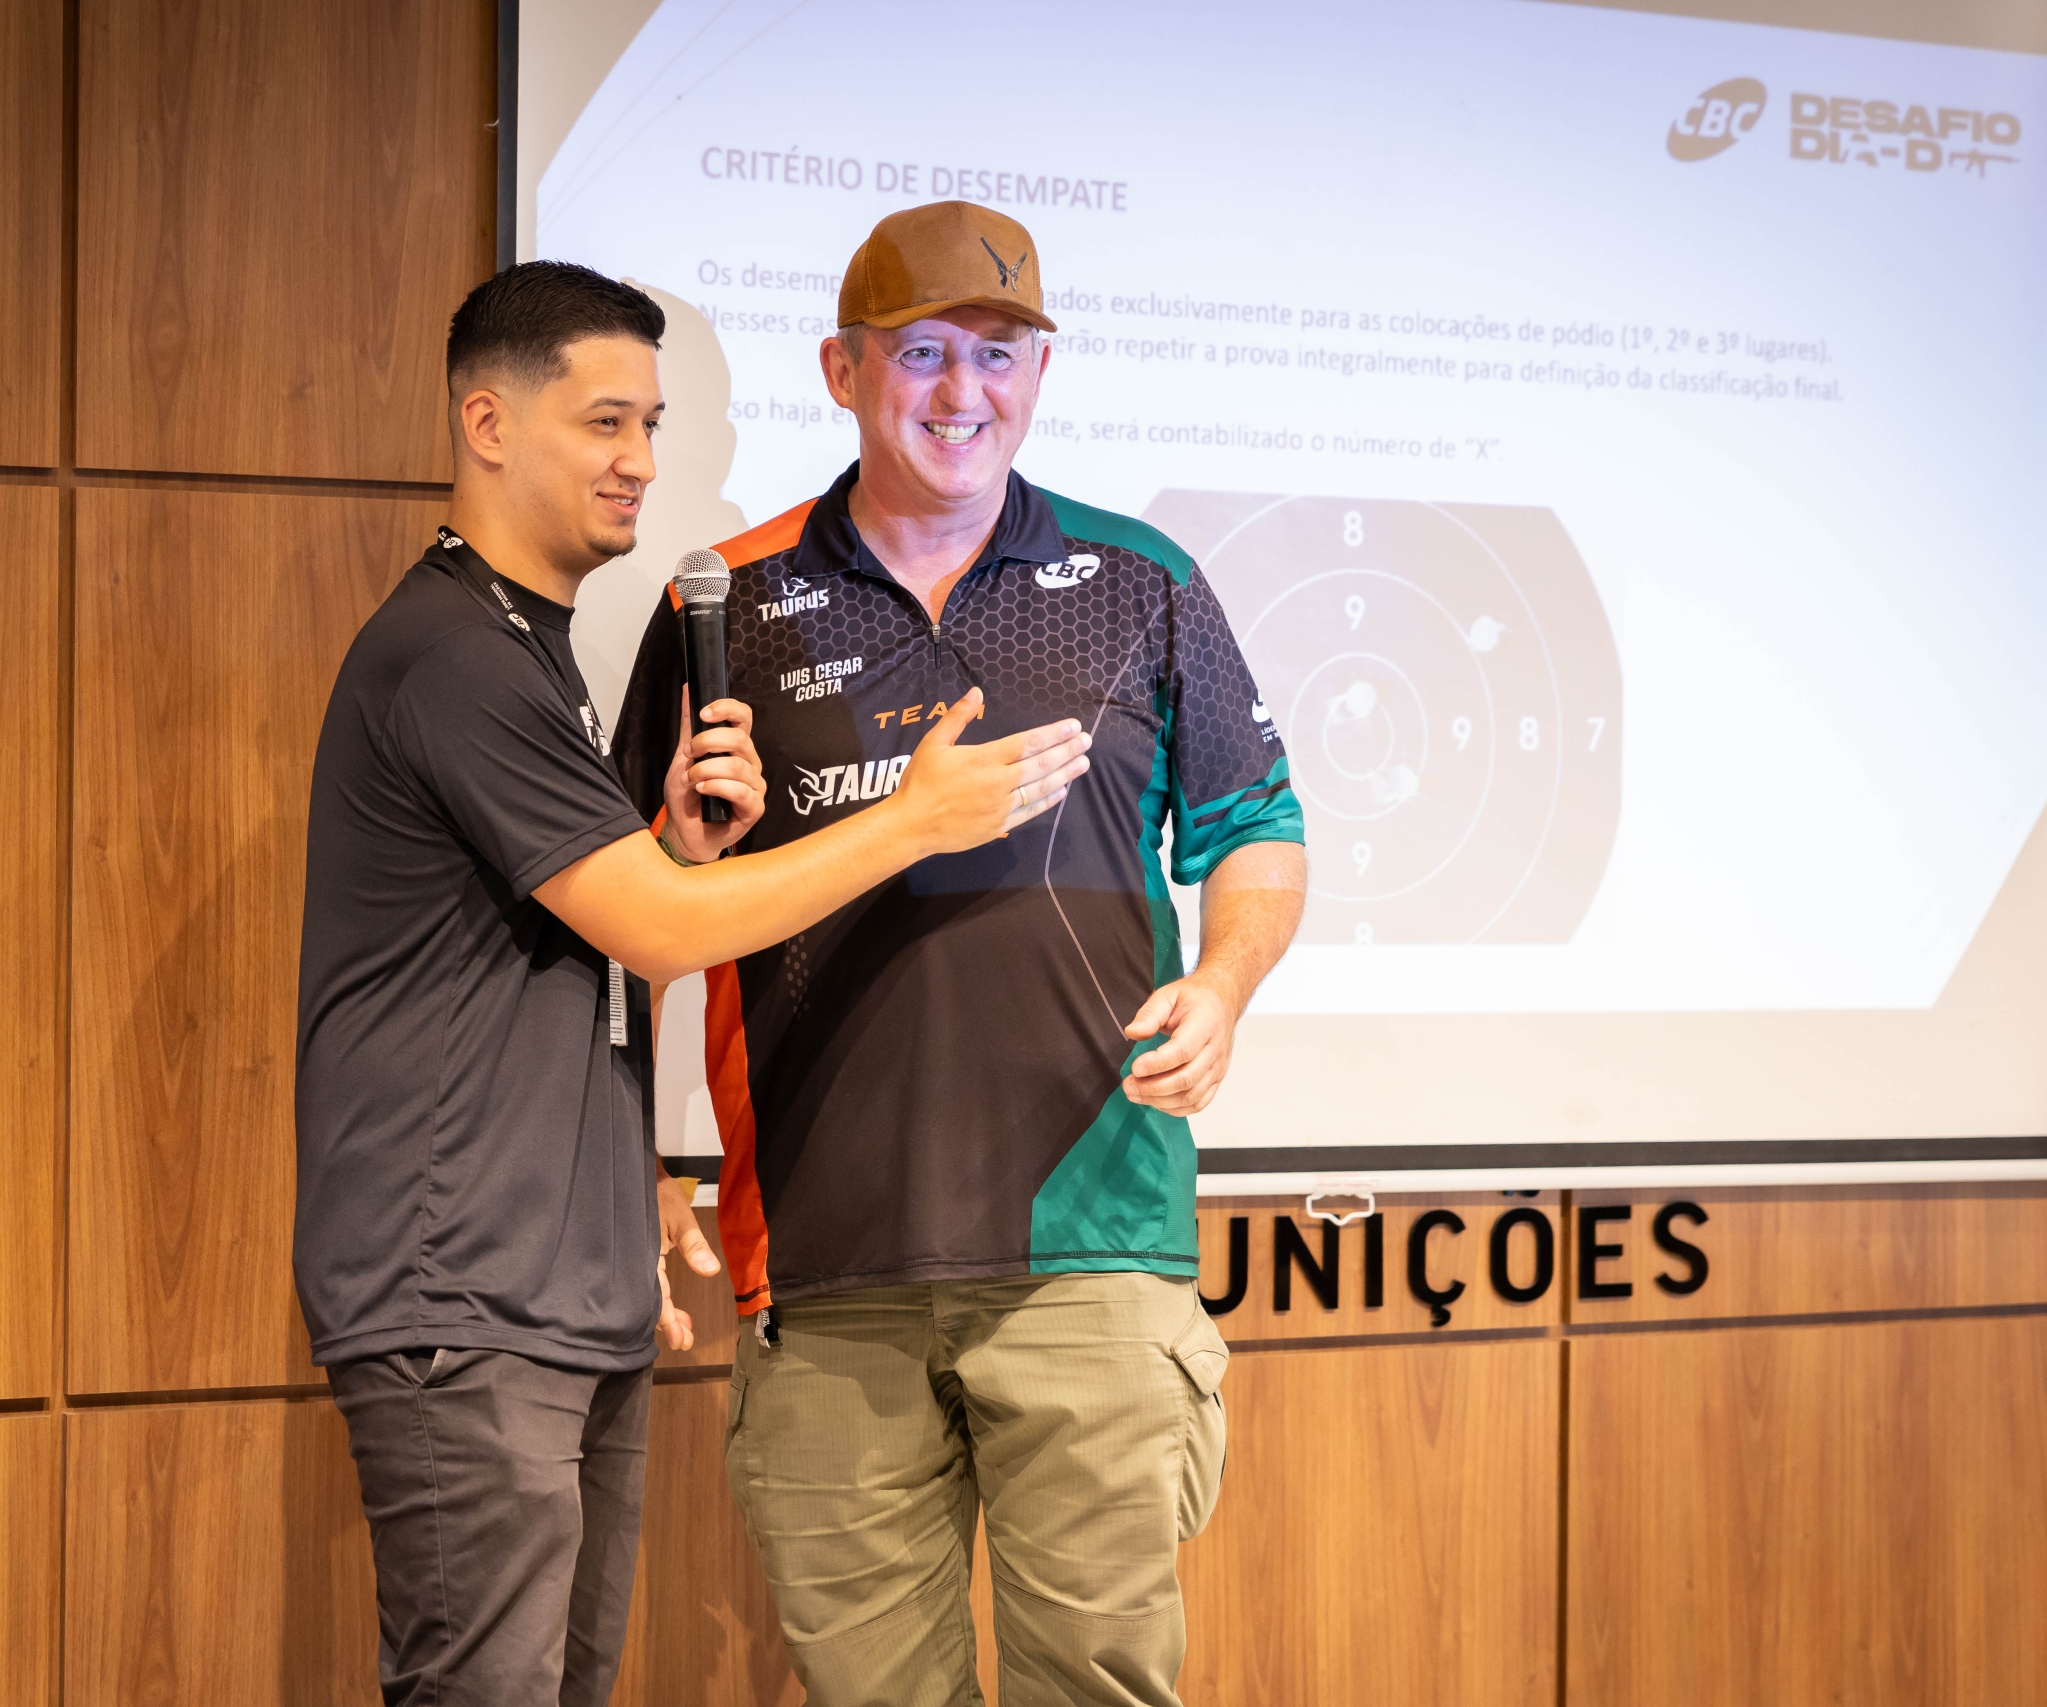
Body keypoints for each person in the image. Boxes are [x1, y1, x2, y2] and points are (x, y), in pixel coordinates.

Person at [293, 260, 1093, 1707]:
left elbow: (576, 943)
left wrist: (672, 849)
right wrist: (911, 821)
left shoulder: (527, 652)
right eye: (604, 423)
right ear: (488, 423)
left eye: (652, 426)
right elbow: (663, 934)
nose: (641, 464)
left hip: (553, 1286)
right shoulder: (454, 656)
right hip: (463, 1286)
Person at [611, 204, 1309, 1706]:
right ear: (843, 370)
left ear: (1040, 372)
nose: (961, 391)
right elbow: (626, 914)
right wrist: (640, 1140)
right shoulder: (724, 600)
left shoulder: (1141, 581)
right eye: (922, 351)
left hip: (1092, 1248)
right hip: (823, 1257)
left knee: (1100, 1685)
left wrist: (1225, 983)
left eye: (999, 354)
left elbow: (1258, 822)